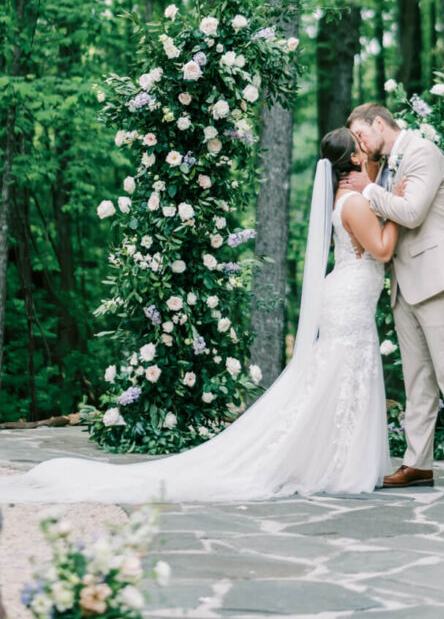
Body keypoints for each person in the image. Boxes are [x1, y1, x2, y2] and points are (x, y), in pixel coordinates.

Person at [0, 129, 401, 504]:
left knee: (337, 381)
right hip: (349, 300)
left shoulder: (346, 196)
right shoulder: (356, 201)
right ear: (353, 156)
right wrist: (399, 211)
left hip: (348, 297)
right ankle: (336, 465)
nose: (367, 145)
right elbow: (382, 249)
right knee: (342, 378)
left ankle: (338, 461)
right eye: (360, 143)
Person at [344, 102, 444, 497]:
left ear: (379, 123)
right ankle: (417, 463)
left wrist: (369, 190)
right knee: (417, 379)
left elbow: (410, 212)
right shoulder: (388, 164)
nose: (359, 144)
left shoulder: (423, 152)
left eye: (361, 135)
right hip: (405, 283)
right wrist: (376, 184)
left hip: (437, 278)